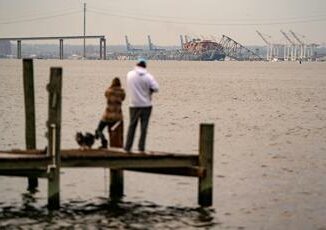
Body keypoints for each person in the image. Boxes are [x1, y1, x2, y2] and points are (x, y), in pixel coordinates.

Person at [124, 58, 159, 152]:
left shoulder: (129, 75)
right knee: (143, 128)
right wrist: (149, 91)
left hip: (133, 105)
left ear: (137, 65)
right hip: (146, 105)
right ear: (145, 66)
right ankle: (141, 147)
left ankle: (127, 147)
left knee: (132, 126)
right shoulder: (148, 77)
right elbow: (156, 88)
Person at [95, 77, 125, 148]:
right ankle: (115, 146)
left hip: (107, 116)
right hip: (117, 116)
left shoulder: (109, 91)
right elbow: (123, 98)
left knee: (99, 129)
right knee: (113, 132)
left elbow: (105, 95)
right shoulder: (122, 92)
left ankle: (104, 142)